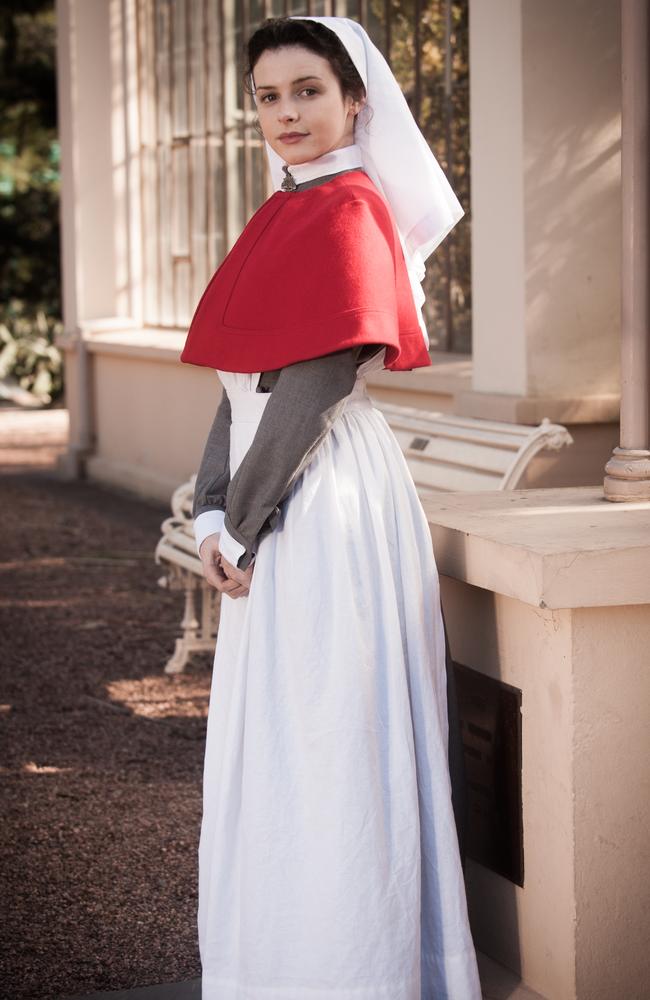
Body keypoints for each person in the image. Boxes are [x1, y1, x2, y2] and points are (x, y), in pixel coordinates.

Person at [180, 15, 482, 1000]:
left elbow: (308, 387)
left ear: (356, 101)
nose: (285, 113)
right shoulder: (283, 207)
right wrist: (209, 509)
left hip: (324, 502)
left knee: (330, 743)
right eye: (267, 97)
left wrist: (243, 517)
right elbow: (241, 381)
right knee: (283, 746)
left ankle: (350, 971)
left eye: (306, 91)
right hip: (271, 498)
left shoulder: (351, 210)